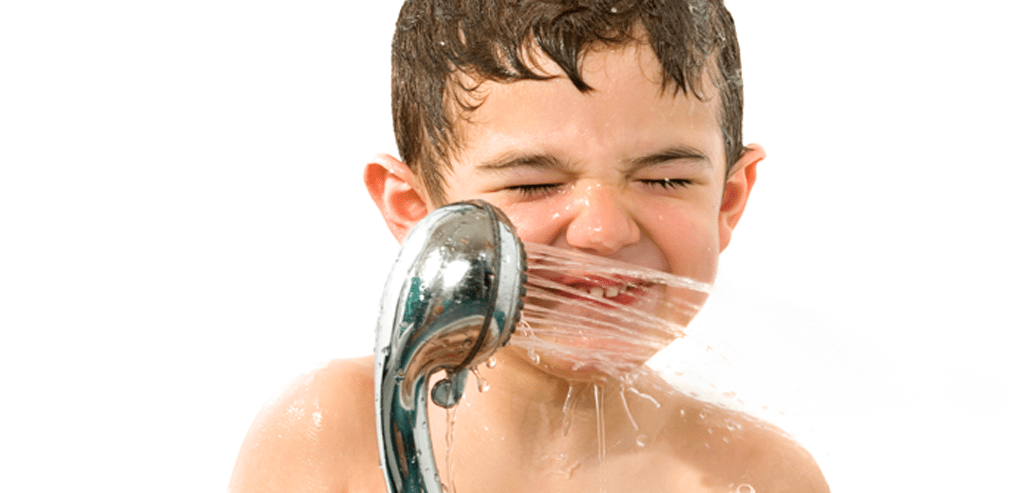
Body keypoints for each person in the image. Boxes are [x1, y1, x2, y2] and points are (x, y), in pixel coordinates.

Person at [229, 1, 829, 491]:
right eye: (533, 185)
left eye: (665, 179)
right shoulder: (335, 435)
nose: (603, 230)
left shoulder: (762, 477)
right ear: (415, 212)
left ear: (727, 202)